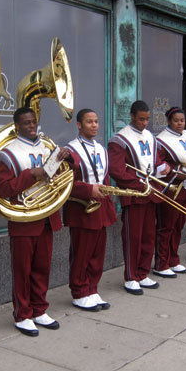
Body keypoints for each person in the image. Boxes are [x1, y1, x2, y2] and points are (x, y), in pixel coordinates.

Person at [0, 107, 72, 336]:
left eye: (34, 121)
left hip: (47, 216)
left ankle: (39, 309)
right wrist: (32, 174)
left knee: (42, 267)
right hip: (24, 218)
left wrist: (58, 164)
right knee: (23, 270)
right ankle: (22, 314)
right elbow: (4, 189)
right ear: (16, 125)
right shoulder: (8, 153)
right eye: (26, 123)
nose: (31, 126)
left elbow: (54, 177)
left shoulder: (47, 146)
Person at [108, 100, 169, 294]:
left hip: (150, 193)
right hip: (134, 195)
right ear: (132, 116)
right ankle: (131, 276)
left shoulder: (150, 136)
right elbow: (116, 171)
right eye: (141, 119)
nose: (144, 123)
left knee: (148, 236)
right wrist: (141, 184)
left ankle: (143, 273)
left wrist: (163, 168)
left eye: (147, 119)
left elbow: (156, 161)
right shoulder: (119, 139)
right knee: (133, 237)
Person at [63, 109, 116, 310]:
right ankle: (79, 292)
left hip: (100, 208)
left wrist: (108, 200)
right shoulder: (70, 150)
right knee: (82, 253)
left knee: (97, 253)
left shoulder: (101, 149)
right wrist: (88, 190)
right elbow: (64, 185)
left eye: (96, 121)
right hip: (81, 209)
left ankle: (92, 289)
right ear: (79, 125)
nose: (94, 125)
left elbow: (105, 178)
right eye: (89, 122)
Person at [154, 107, 186, 275]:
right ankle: (161, 264)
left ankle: (174, 259)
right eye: (176, 120)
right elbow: (159, 165)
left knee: (179, 225)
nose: (180, 123)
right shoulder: (161, 140)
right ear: (168, 121)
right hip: (173, 187)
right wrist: (176, 172)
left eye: (182, 120)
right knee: (166, 226)